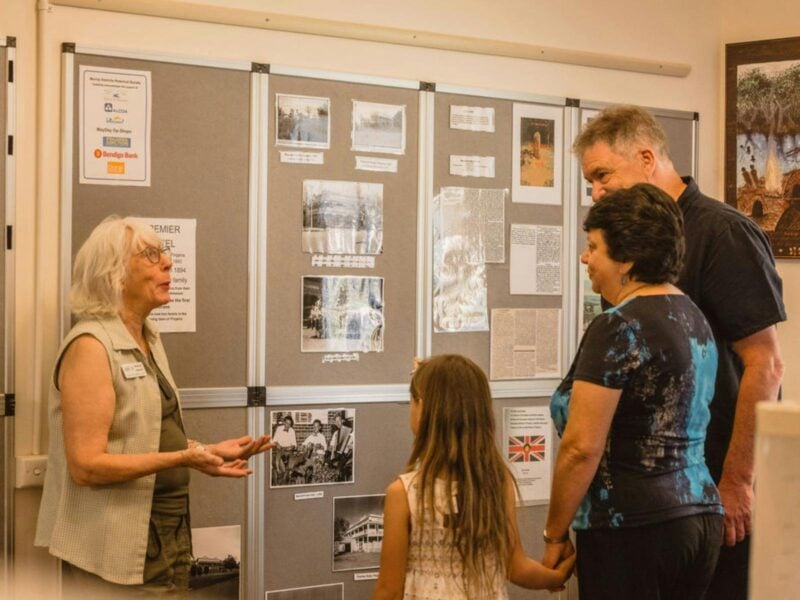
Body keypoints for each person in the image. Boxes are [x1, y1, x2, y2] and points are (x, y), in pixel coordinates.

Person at [572, 105, 785, 599]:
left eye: (603, 175)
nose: (597, 192)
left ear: (647, 158)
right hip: (643, 508)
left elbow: (766, 363)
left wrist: (736, 481)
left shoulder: (721, 231)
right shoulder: (630, 241)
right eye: (590, 183)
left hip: (708, 494)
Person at [34, 216, 274, 598]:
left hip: (165, 531)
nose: (168, 263)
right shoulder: (91, 348)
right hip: (117, 546)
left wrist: (204, 452)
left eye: (164, 252)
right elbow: (87, 466)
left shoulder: (147, 337)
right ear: (113, 274)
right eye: (150, 255)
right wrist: (184, 459)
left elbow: (143, 434)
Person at [546, 184, 724, 598]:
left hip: (633, 525)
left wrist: (555, 533)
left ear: (626, 259)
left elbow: (581, 448)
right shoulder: (691, 315)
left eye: (594, 247)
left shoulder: (617, 325)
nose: (585, 258)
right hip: (699, 518)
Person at [373, 355, 575, 600]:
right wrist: (556, 576)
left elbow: (389, 591)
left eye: (412, 401)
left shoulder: (403, 493)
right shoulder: (497, 484)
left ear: (423, 408)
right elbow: (515, 567)